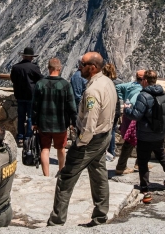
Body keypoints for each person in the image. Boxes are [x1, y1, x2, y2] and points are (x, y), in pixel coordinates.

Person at [47, 52, 118, 227]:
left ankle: (56, 221)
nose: (79, 67)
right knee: (99, 174)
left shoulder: (93, 91)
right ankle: (100, 216)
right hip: (104, 136)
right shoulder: (108, 82)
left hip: (90, 140)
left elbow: (89, 123)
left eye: (82, 64)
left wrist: (79, 144)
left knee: (66, 177)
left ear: (92, 68)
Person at [124, 70, 165, 204]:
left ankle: (145, 189)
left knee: (143, 161)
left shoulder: (143, 95)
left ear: (145, 81)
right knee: (161, 154)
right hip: (159, 132)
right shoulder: (163, 92)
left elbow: (136, 115)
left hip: (145, 134)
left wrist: (127, 109)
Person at [31, 58, 77, 177]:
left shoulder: (40, 84)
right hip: (61, 123)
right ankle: (61, 172)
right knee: (61, 148)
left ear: (48, 68)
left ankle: (46, 176)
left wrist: (34, 121)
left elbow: (35, 106)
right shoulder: (65, 85)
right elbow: (72, 106)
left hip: (43, 123)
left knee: (45, 149)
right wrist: (74, 122)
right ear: (59, 69)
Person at [10, 47, 43, 144]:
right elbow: (40, 79)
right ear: (32, 57)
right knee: (30, 117)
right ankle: (28, 137)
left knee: (21, 116)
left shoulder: (16, 67)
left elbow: (13, 79)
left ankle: (20, 136)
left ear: (23, 56)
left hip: (19, 95)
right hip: (31, 95)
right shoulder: (34, 68)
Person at [114, 70, 145, 175]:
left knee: (134, 141)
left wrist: (123, 99)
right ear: (144, 79)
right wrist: (129, 104)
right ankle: (121, 166)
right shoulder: (139, 89)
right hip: (134, 117)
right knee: (131, 141)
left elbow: (118, 87)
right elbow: (133, 101)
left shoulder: (130, 85)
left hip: (128, 116)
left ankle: (139, 163)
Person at [102, 63, 123, 161]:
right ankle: (112, 152)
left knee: (103, 131)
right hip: (117, 109)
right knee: (113, 131)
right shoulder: (119, 82)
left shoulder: (103, 82)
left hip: (107, 109)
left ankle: (103, 153)